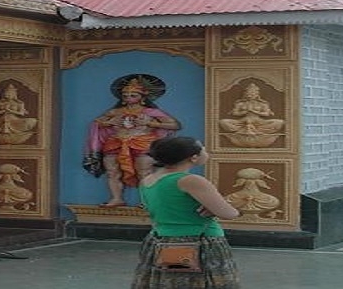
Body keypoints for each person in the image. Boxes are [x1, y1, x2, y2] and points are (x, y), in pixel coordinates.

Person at [132, 136, 240, 289]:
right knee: (197, 282)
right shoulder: (191, 180)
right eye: (203, 148)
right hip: (197, 241)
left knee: (174, 282)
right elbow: (228, 213)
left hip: (162, 239)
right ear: (194, 157)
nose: (205, 151)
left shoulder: (149, 179)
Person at [86, 76, 181, 207]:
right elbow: (97, 123)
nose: (128, 98)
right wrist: (109, 122)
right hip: (116, 143)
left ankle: (146, 201)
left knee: (144, 172)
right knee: (112, 171)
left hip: (143, 143)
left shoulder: (151, 112)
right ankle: (116, 198)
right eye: (125, 95)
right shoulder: (115, 111)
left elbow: (175, 125)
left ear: (142, 98)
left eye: (133, 95)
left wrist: (149, 122)